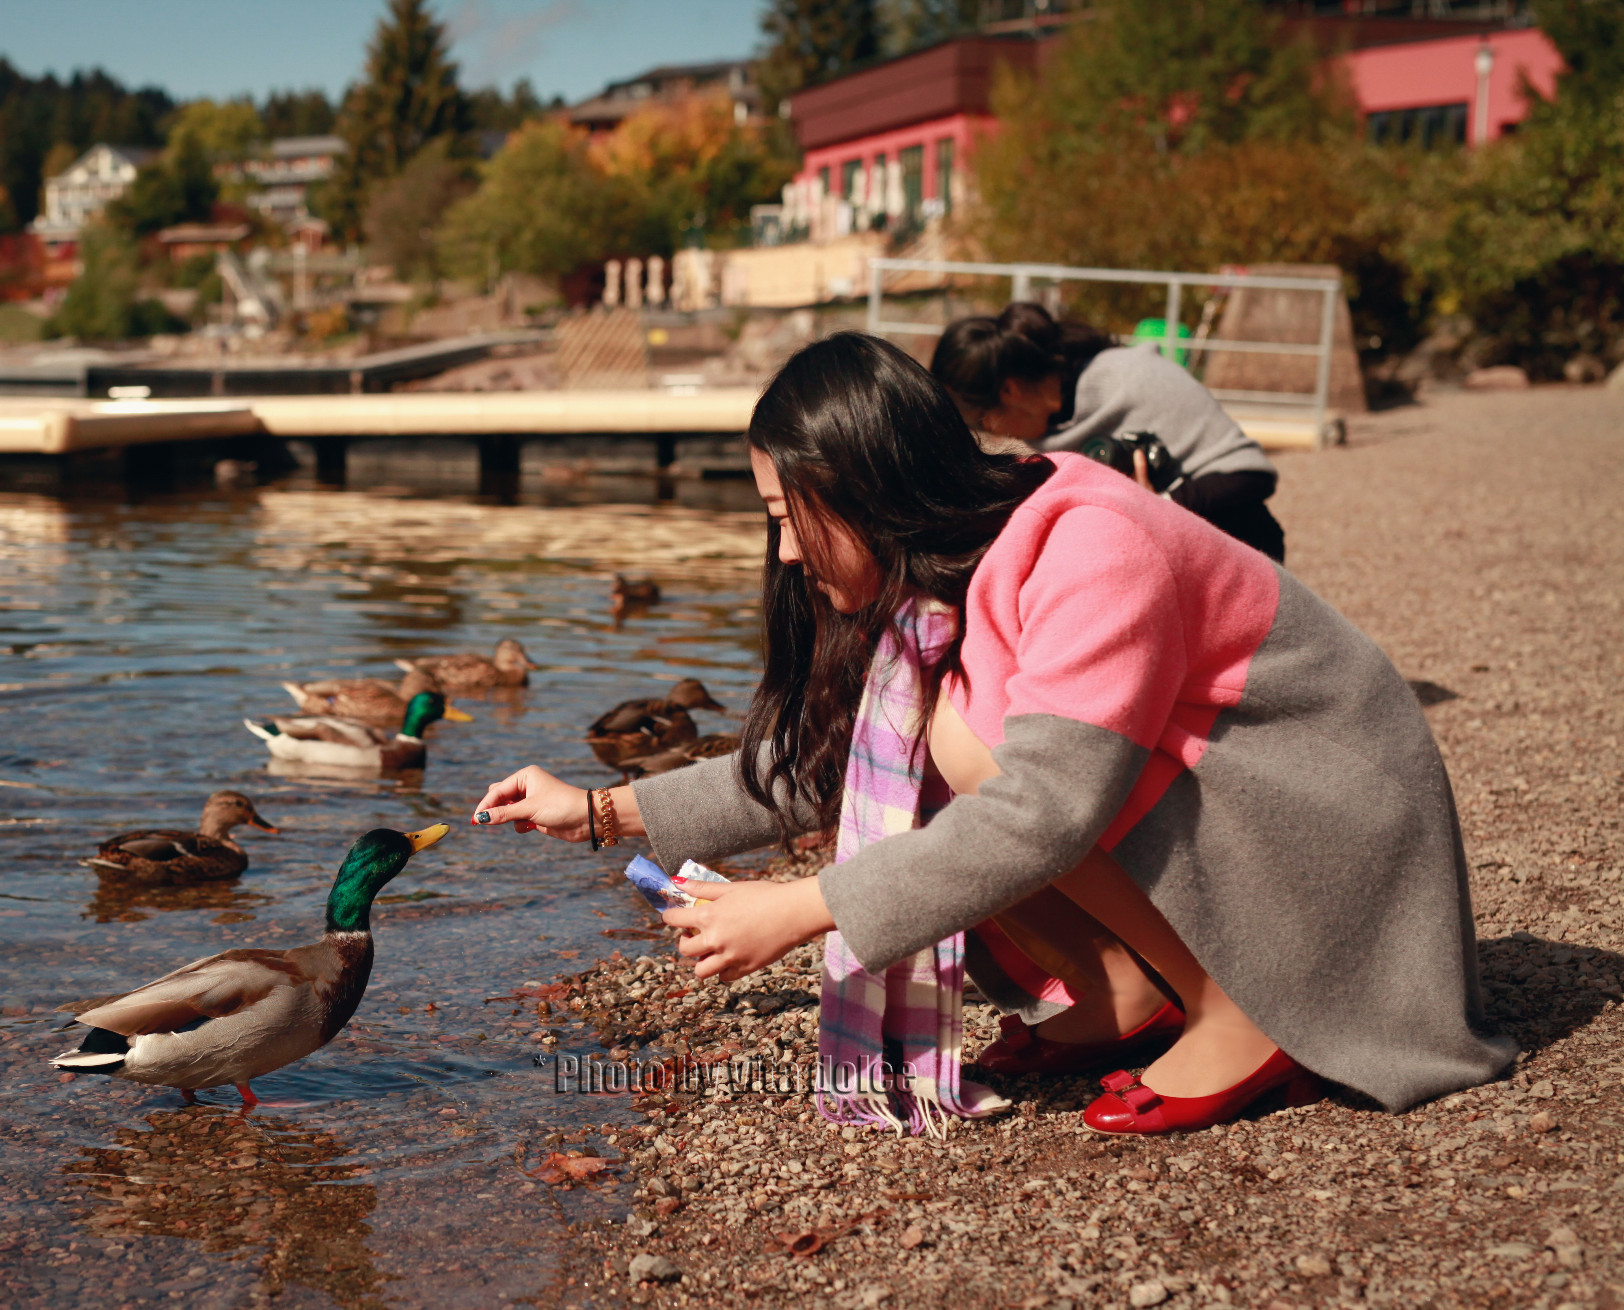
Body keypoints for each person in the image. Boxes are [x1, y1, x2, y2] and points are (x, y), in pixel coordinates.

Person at [472, 332, 1511, 1136]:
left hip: (1330, 831)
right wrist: (598, 809)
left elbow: (1046, 808)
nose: (783, 551)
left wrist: (801, 907)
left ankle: (1237, 1012)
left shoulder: (1089, 544)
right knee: (934, 730)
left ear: (864, 488)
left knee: (967, 743)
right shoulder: (948, 564)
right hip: (1252, 815)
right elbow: (825, 758)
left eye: (789, 515)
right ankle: (1112, 991)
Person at [930, 302, 1288, 561]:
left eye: (980, 421)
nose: (990, 433)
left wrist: (1158, 506)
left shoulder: (1135, 378)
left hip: (1241, 551)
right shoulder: (1049, 427)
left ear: (1010, 391)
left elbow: (1250, 475)